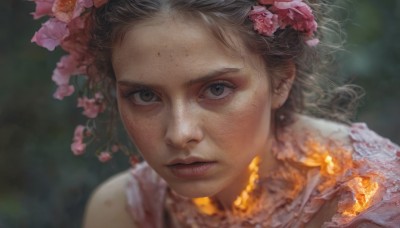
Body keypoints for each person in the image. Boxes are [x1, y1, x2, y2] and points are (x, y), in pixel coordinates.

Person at [31, 0, 400, 227]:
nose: (179, 133)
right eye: (145, 95)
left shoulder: (370, 201)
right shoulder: (121, 212)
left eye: (216, 89)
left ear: (281, 82)